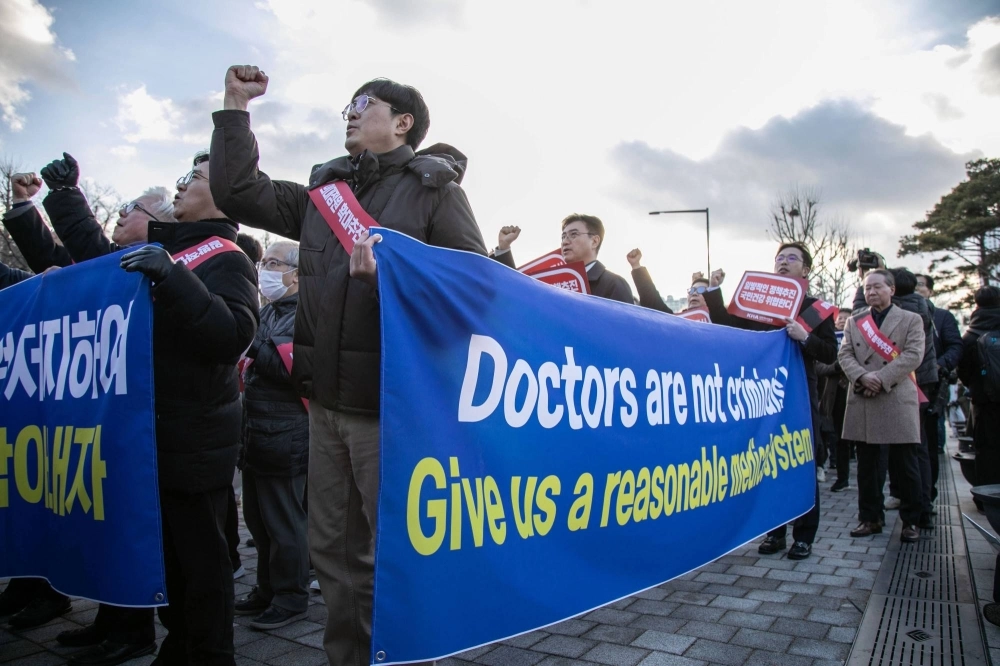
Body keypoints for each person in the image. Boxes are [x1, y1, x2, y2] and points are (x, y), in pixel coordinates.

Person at [211, 64, 487, 665]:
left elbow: (475, 289)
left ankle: (407, 651)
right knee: (333, 551)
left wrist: (392, 279)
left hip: (387, 407)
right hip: (323, 406)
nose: (352, 114)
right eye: (349, 108)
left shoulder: (435, 191)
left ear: (403, 122)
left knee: (392, 551)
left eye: (365, 105)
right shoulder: (322, 196)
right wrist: (236, 107)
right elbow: (237, 191)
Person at [7, 152, 259, 666]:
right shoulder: (173, 249)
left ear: (225, 192)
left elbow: (231, 335)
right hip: (151, 434)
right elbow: (96, 258)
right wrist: (62, 197)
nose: (183, 182)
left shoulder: (224, 256)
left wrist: (173, 279)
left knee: (200, 564)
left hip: (193, 440)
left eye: (196, 177)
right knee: (166, 557)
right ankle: (179, 643)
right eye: (184, 173)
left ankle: (208, 653)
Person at [704, 242, 838, 560]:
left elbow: (830, 352)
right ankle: (775, 532)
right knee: (768, 460)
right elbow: (729, 325)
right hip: (763, 396)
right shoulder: (760, 302)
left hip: (800, 396)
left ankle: (804, 536)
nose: (783, 262)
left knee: (802, 462)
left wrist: (804, 337)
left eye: (792, 258)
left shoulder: (816, 309)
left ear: (805, 270)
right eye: (779, 258)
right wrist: (714, 290)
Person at [234, 240, 311, 631]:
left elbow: (292, 371)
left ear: (296, 275)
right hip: (257, 436)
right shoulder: (268, 313)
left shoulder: (304, 315)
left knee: (285, 525)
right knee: (259, 525)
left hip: (286, 437)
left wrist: (246, 339)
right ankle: (265, 589)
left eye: (273, 262)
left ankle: (290, 596)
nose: (264, 267)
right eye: (263, 261)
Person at [841, 269, 924, 543]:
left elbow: (913, 355)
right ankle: (870, 518)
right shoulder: (856, 321)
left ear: (892, 290)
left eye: (877, 287)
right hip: (864, 396)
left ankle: (912, 520)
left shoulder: (911, 319)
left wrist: (882, 377)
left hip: (896, 396)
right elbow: (845, 354)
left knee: (905, 466)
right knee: (867, 467)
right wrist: (863, 376)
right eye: (867, 288)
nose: (871, 292)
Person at [493, 217, 633, 303]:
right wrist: (504, 248)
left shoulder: (613, 284)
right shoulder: (550, 281)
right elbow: (516, 294)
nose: (565, 242)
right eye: (563, 237)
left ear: (595, 241)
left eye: (573, 235)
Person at [958, 286, 1000, 490]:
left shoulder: (970, 335)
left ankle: (987, 500)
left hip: (983, 402)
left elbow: (963, 372)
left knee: (985, 449)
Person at [916, 274, 963, 453]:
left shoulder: (943, 316)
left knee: (931, 432)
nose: (916, 289)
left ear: (930, 291)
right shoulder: (899, 316)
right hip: (904, 382)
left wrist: (938, 365)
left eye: (920, 285)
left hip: (932, 383)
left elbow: (955, 346)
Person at [818, 309, 853, 491]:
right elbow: (819, 366)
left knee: (847, 440)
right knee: (833, 437)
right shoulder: (828, 339)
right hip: (831, 395)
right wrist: (837, 366)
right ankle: (838, 475)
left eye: (848, 318)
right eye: (841, 318)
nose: (843, 321)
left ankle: (845, 476)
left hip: (855, 391)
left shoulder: (858, 338)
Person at [625, 249, 710, 316]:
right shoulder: (676, 320)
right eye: (692, 290)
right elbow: (652, 301)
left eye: (701, 290)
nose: (694, 294)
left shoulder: (718, 320)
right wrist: (636, 265)